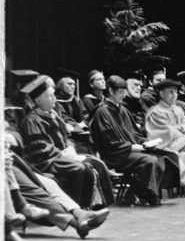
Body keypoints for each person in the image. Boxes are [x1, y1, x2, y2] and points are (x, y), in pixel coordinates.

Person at [19, 75, 115, 209]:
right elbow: (41, 148)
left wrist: (70, 148)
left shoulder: (53, 114)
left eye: (53, 95)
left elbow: (67, 136)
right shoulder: (32, 120)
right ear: (38, 101)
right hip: (44, 161)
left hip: (59, 156)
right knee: (80, 168)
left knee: (96, 163)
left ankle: (96, 204)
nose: (54, 99)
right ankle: (76, 206)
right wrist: (63, 154)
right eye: (49, 96)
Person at [89, 75, 184, 205]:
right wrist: (133, 147)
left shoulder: (123, 110)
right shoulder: (102, 112)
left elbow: (135, 134)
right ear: (111, 91)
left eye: (124, 92)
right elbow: (108, 142)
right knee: (150, 160)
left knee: (167, 155)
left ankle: (151, 191)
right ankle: (144, 192)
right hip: (116, 154)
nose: (123, 95)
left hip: (130, 150)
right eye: (121, 92)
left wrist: (144, 142)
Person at [5, 131, 110, 239]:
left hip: (13, 162)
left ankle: (80, 214)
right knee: (34, 190)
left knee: (50, 183)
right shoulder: (32, 120)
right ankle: (77, 223)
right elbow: (38, 147)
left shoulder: (50, 115)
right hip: (35, 161)